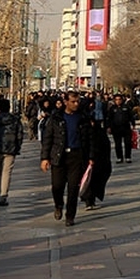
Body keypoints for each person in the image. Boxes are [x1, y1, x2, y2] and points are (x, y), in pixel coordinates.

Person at [40, 91, 99, 227]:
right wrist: (45, 158)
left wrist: (91, 157)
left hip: (77, 156)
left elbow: (91, 139)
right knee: (57, 186)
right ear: (65, 102)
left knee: (73, 188)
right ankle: (58, 205)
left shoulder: (83, 118)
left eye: (77, 101)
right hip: (59, 155)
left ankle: (70, 215)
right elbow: (47, 139)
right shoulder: (56, 118)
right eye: (73, 101)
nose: (76, 104)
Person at [0, 97, 23, 206]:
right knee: (7, 172)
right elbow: (19, 135)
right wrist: (17, 147)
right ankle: (3, 195)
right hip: (10, 149)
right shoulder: (15, 120)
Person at [82, 117, 112, 211]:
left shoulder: (100, 131)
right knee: (88, 179)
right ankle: (88, 200)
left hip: (100, 159)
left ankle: (92, 198)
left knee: (97, 178)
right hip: (85, 159)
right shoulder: (83, 131)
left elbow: (106, 146)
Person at [107, 93, 135, 164]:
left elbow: (131, 116)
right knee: (118, 144)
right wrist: (108, 127)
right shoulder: (112, 108)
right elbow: (109, 118)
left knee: (127, 143)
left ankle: (128, 157)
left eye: (119, 99)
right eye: (116, 100)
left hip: (126, 127)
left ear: (122, 100)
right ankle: (119, 157)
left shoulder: (126, 107)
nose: (118, 101)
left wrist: (133, 124)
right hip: (116, 128)